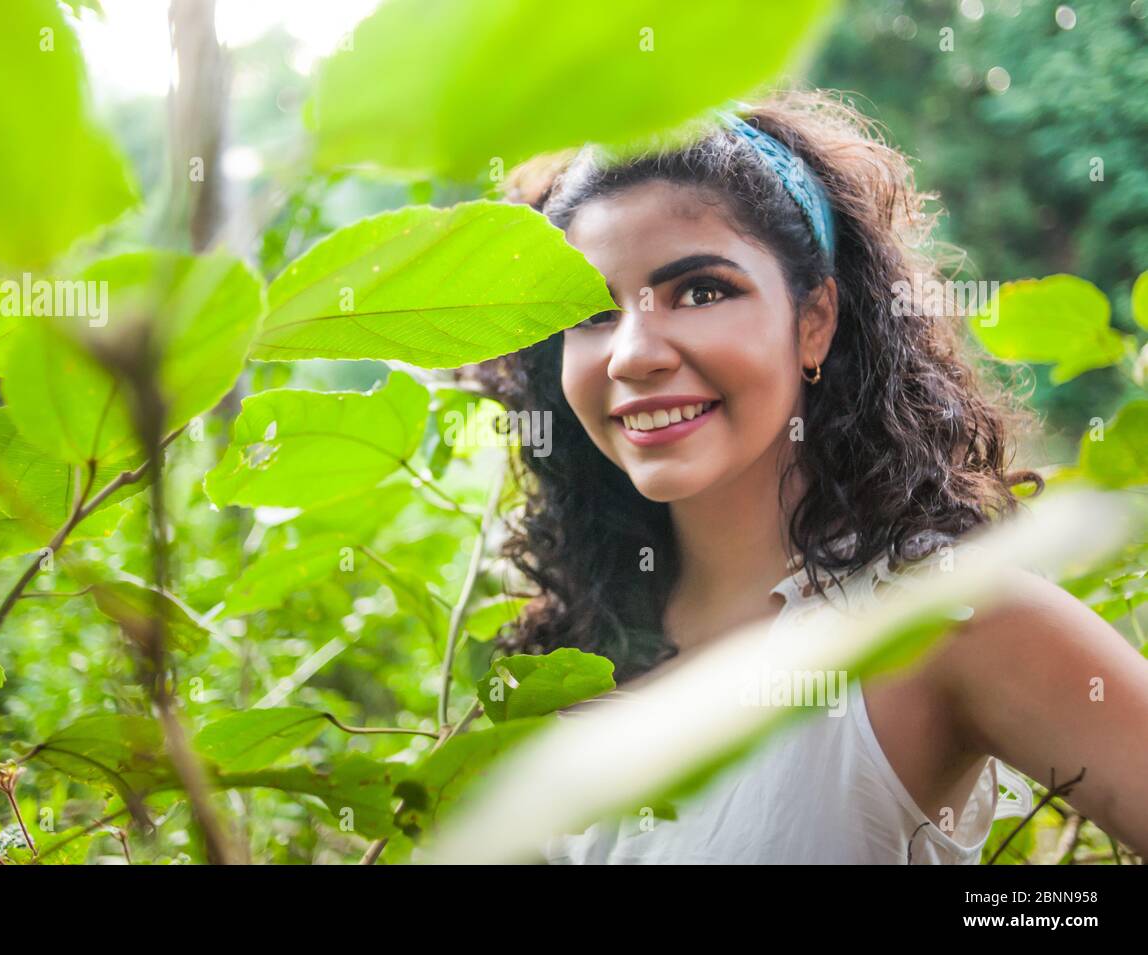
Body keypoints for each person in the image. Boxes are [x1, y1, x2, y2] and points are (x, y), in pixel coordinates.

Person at [470, 89, 1148, 863]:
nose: (633, 354)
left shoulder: (941, 620)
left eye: (701, 290)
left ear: (815, 320)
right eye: (591, 314)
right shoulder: (558, 661)